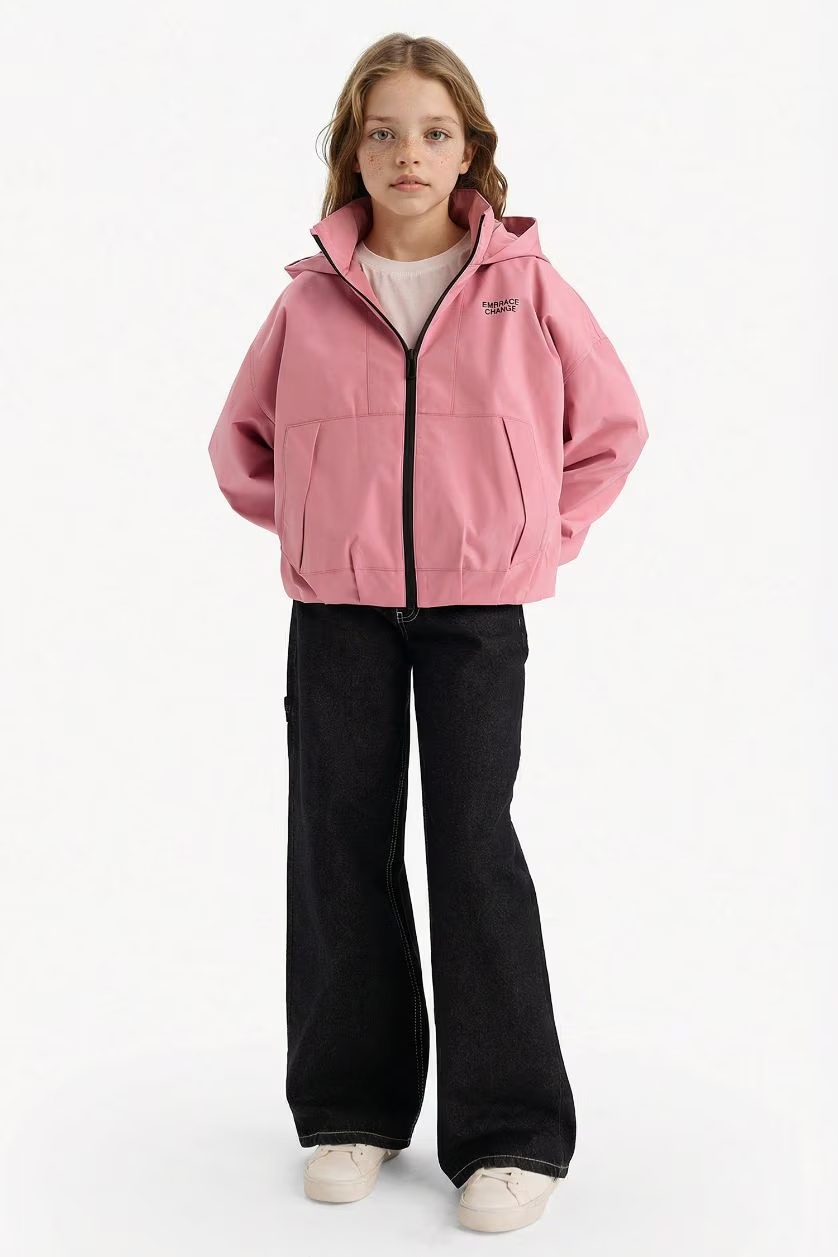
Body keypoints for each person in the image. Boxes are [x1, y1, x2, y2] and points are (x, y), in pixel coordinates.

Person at [207, 31, 648, 1234]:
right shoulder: (307, 301)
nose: (410, 152)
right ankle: (349, 1111)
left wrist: (535, 536)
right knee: (338, 843)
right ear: (353, 151)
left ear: (469, 151)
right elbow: (240, 445)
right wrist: (322, 530)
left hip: (475, 611)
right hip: (337, 611)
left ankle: (510, 1134)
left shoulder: (525, 288)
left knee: (471, 843)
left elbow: (611, 430)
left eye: (434, 131)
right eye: (385, 131)